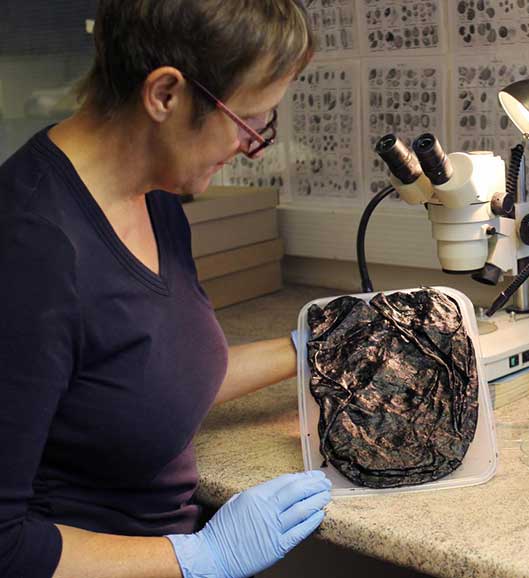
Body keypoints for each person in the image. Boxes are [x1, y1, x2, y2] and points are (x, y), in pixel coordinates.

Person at [0, 1, 331, 577]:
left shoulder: (157, 200)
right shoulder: (30, 250)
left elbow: (139, 379)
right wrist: (197, 559)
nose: (252, 145)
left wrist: (312, 347)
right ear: (165, 95)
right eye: (249, 123)